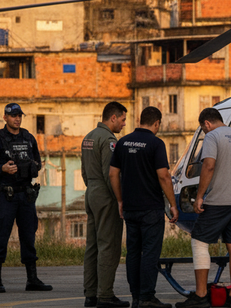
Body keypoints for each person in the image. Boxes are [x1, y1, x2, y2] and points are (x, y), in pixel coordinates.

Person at [176, 108, 231, 308]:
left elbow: (209, 166)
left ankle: (201, 295)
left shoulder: (212, 137)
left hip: (219, 200)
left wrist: (200, 196)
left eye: (203, 129)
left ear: (206, 124)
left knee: (199, 241)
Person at [109, 107, 178, 308]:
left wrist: (120, 201)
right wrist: (173, 205)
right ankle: (147, 297)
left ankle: (136, 297)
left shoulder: (123, 142)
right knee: (149, 253)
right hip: (151, 208)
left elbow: (114, 174)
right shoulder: (156, 144)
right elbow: (164, 176)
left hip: (130, 207)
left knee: (133, 252)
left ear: (140, 120)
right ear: (157, 123)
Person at [0, 102, 52, 293]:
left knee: (29, 237)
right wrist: (2, 168)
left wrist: (31, 167)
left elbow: (37, 162)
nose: (17, 119)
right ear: (5, 117)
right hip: (6, 195)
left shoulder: (28, 138)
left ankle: (32, 280)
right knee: (1, 237)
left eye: (19, 115)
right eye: (13, 116)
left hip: (26, 195)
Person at [82, 102, 130, 308]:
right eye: (122, 119)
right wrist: (119, 199)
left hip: (91, 192)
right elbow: (110, 173)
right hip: (105, 194)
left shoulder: (89, 137)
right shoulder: (109, 140)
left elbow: (84, 171)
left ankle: (91, 294)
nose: (124, 124)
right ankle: (105, 295)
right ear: (113, 118)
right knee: (109, 246)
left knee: (92, 246)